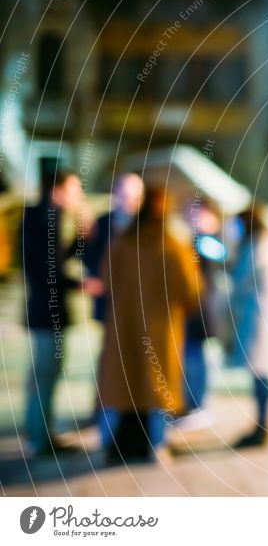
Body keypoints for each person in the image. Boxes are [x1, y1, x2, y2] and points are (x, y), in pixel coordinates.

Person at [97, 188, 201, 463]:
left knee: (120, 386)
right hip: (161, 329)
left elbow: (106, 279)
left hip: (125, 326)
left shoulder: (122, 242)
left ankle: (109, 445)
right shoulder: (173, 245)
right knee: (159, 387)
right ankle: (157, 445)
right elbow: (190, 288)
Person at [21, 171, 85, 456]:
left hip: (40, 310)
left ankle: (39, 433)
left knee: (40, 374)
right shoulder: (52, 218)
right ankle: (42, 440)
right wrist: (83, 284)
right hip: (50, 311)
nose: (78, 196)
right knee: (47, 373)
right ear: (57, 191)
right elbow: (52, 271)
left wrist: (78, 240)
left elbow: (52, 261)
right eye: (74, 190)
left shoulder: (34, 216)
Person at [230, 203, 268, 448]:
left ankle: (263, 425)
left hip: (260, 312)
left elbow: (245, 276)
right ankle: (262, 423)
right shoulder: (266, 242)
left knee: (260, 369)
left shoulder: (262, 244)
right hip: (260, 310)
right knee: (260, 369)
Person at [181, 199, 225, 427]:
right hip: (196, 307)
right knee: (192, 356)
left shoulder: (208, 240)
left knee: (195, 357)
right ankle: (193, 403)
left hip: (202, 308)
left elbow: (221, 259)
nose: (192, 217)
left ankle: (198, 405)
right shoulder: (195, 239)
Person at [83, 172, 144, 321]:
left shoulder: (147, 225)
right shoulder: (102, 223)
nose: (127, 201)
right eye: (124, 194)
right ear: (116, 193)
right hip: (108, 301)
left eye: (132, 196)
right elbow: (90, 255)